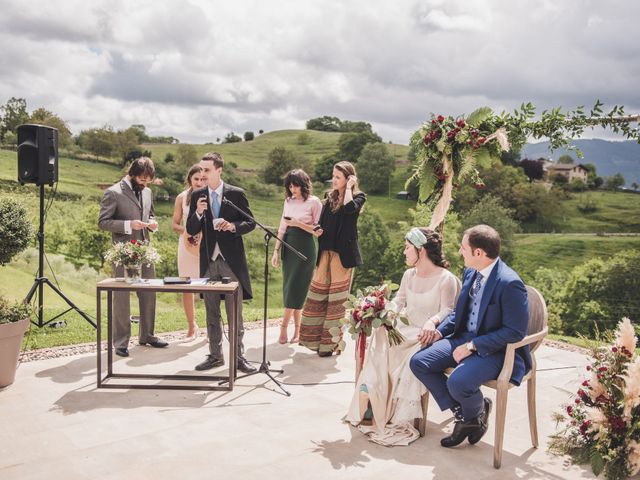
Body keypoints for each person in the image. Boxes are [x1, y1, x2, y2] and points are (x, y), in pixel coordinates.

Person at [409, 224, 530, 448]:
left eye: (463, 248)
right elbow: (460, 313)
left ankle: (469, 415)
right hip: (462, 336)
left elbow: (515, 331)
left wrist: (473, 345)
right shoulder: (471, 271)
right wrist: (439, 331)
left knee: (458, 382)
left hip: (495, 350)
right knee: (419, 362)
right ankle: (470, 415)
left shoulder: (510, 283)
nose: (459, 251)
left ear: (478, 253)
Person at [345, 227, 458, 446]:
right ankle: (373, 405)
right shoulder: (409, 275)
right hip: (406, 330)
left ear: (421, 250)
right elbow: (400, 301)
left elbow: (448, 311)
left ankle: (395, 415)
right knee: (379, 341)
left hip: (428, 335)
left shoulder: (447, 279)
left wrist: (432, 321)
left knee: (405, 362)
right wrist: (380, 310)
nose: (404, 252)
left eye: (407, 248)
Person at [186, 152, 257, 374]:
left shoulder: (235, 194)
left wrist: (233, 226)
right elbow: (190, 229)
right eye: (201, 170)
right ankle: (215, 356)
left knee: (234, 311)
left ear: (219, 170)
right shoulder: (197, 195)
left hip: (231, 262)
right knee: (211, 312)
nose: (202, 174)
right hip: (208, 262)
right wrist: (198, 213)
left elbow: (250, 222)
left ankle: (239, 357)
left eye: (207, 170)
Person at [98, 157, 168, 357]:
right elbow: (103, 222)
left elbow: (151, 214)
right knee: (122, 297)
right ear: (132, 174)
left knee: (149, 293)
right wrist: (129, 225)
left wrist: (152, 223)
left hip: (145, 251)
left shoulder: (147, 192)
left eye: (148, 182)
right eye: (142, 180)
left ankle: (148, 335)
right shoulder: (113, 192)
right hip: (123, 253)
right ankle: (120, 342)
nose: (145, 185)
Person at [299, 161, 366, 356]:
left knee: (336, 302)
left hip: (343, 256)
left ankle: (330, 345)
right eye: (334, 176)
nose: (334, 180)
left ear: (349, 178)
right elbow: (321, 223)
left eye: (338, 177)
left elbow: (348, 210)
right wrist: (318, 230)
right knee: (318, 297)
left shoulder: (358, 197)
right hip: (325, 253)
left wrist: (350, 188)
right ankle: (313, 342)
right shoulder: (328, 199)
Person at [271, 169, 323, 344]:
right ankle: (298, 331)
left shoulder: (314, 202)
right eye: (290, 186)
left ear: (304, 184)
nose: (293, 189)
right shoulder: (288, 201)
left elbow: (318, 231)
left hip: (305, 248)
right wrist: (276, 251)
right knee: (291, 289)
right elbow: (282, 227)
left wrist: (298, 223)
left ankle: (284, 328)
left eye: (296, 186)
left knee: (297, 289)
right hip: (288, 245)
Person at [171, 164, 206, 340]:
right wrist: (188, 232)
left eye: (202, 179)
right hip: (186, 245)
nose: (199, 182)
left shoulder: (210, 197)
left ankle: (212, 326)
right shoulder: (182, 197)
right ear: (190, 180)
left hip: (205, 246)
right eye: (196, 179)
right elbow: (174, 224)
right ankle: (192, 326)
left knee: (208, 287)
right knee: (186, 286)